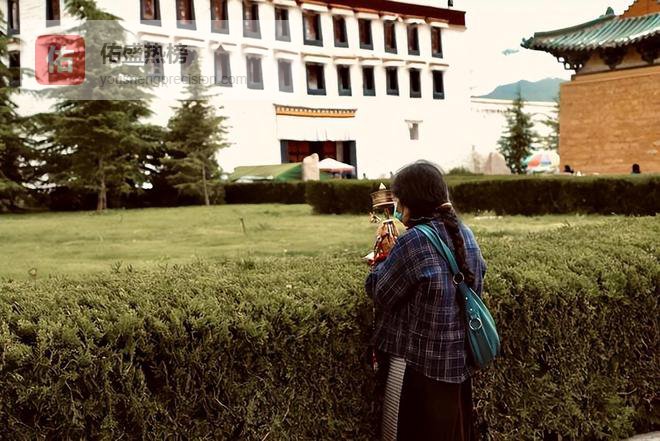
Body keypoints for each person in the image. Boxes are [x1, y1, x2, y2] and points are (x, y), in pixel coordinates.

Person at [365, 160, 487, 441]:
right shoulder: (466, 234)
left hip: (417, 369)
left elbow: (381, 292)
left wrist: (381, 260)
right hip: (458, 367)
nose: (398, 207)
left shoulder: (414, 241)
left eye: (399, 200)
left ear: (411, 201)